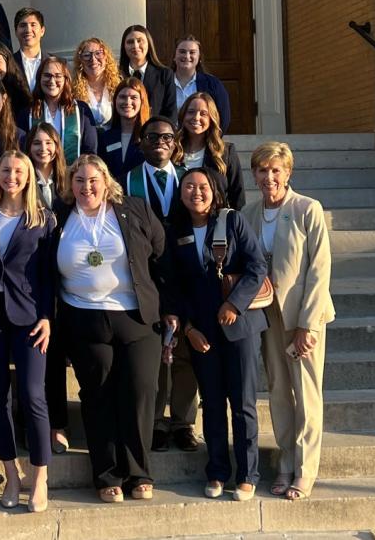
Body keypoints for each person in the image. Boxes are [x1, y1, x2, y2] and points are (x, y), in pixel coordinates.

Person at [55, 154, 165, 502]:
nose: (86, 187)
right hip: (84, 318)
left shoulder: (135, 210)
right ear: (70, 185)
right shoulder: (59, 218)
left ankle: (139, 472)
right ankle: (106, 475)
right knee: (97, 395)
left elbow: (162, 257)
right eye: (79, 181)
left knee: (140, 390)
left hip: (135, 317)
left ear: (106, 182)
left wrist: (172, 310)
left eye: (92, 180)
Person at [162, 168, 268, 501]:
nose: (196, 192)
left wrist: (235, 304)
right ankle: (218, 471)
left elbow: (257, 267)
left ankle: (248, 473)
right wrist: (189, 329)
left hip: (240, 329)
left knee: (243, 403)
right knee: (211, 404)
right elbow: (174, 287)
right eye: (189, 186)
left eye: (203, 186)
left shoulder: (232, 220)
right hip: (202, 333)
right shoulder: (174, 231)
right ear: (180, 194)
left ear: (214, 190)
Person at [241, 142, 334, 501]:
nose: (269, 177)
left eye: (275, 170)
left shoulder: (307, 209)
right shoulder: (248, 214)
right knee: (279, 392)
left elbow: (319, 269)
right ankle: (285, 463)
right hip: (265, 317)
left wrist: (308, 325)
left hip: (301, 318)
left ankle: (305, 470)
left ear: (288, 172)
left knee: (307, 394)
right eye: (262, 171)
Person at [0, 151, 54, 512]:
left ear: (29, 176)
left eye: (19, 171)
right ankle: (11, 473)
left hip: (31, 318)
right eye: (6, 170)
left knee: (33, 395)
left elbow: (50, 273)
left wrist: (48, 316)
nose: (12, 177)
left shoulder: (43, 218)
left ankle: (39, 477)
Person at [125, 116, 199, 454]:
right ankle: (154, 422)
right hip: (148, 277)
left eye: (167, 137)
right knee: (153, 354)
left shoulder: (189, 179)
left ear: (176, 143)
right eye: (152, 136)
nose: (160, 142)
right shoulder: (128, 180)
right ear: (141, 142)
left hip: (186, 274)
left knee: (184, 353)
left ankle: (183, 422)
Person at [24, 123, 71, 453]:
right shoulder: (21, 181)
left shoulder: (69, 184)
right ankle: (31, 424)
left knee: (55, 354)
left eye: (49, 142)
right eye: (37, 143)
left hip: (66, 274)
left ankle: (57, 425)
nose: (43, 149)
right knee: (34, 353)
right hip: (31, 275)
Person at [176, 93, 246, 210]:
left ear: (211, 119)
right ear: (183, 116)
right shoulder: (173, 150)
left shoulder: (225, 152)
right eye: (191, 112)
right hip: (178, 222)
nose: (196, 117)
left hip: (216, 221)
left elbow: (237, 196)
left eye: (203, 113)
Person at [26, 56, 97, 163]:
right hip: (38, 176)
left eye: (58, 76)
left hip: (73, 175)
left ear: (66, 79)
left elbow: (90, 149)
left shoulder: (81, 110)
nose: (52, 80)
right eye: (47, 75)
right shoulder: (28, 113)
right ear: (39, 78)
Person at [173, 35, 232, 133]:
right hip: (169, 143)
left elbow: (223, 118)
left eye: (192, 52)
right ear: (174, 56)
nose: (187, 56)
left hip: (201, 143)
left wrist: (211, 141)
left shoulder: (213, 84)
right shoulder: (162, 83)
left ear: (199, 57)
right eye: (182, 51)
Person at [97, 78, 149, 182]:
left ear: (142, 101)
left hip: (140, 195)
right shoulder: (105, 137)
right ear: (115, 101)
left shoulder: (149, 136)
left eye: (133, 97)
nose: (127, 102)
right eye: (122, 97)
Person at [121, 25, 176, 121]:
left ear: (149, 44)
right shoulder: (117, 74)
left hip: (155, 132)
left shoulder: (164, 74)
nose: (135, 46)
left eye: (140, 40)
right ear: (124, 46)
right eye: (130, 42)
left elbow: (171, 111)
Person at [72, 37, 123, 130]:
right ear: (80, 61)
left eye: (98, 53)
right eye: (87, 55)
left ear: (106, 58)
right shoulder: (72, 90)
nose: (93, 59)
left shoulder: (118, 87)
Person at [13, 7, 47, 92]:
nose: (28, 30)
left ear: (42, 31)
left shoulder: (58, 64)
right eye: (23, 25)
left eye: (33, 25)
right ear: (16, 32)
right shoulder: (8, 63)